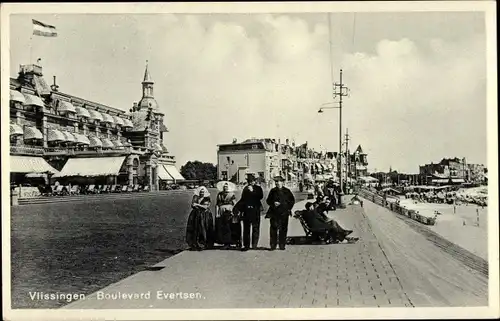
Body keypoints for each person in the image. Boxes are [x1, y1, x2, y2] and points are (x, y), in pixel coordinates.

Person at [266, 175, 295, 251]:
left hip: (284, 213)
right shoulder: (272, 191)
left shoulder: (287, 191)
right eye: (276, 182)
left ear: (282, 182)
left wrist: (284, 205)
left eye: (279, 181)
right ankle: (273, 245)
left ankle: (282, 245)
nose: (277, 183)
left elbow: (292, 201)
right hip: (274, 213)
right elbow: (268, 200)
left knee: (283, 229)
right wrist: (273, 203)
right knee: (273, 229)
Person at [237, 173, 264, 251]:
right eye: (249, 181)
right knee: (246, 228)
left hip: (255, 210)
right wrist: (238, 208)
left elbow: (260, 197)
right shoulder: (245, 188)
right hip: (247, 210)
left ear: (255, 181)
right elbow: (243, 199)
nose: (251, 182)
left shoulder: (258, 188)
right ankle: (246, 245)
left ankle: (254, 244)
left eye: (252, 181)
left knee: (255, 228)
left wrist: (252, 191)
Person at [185, 186, 215, 251]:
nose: (202, 193)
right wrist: (196, 205)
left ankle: (205, 243)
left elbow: (205, 207)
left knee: (204, 228)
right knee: (196, 228)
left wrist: (197, 205)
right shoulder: (195, 197)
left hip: (205, 215)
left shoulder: (207, 198)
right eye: (201, 192)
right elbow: (192, 205)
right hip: (196, 214)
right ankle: (195, 243)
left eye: (203, 192)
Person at [215, 183, 237, 249]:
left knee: (229, 226)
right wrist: (217, 213)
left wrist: (234, 212)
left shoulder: (231, 194)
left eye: (226, 187)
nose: (225, 188)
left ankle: (230, 242)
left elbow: (235, 203)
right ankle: (224, 242)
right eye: (224, 187)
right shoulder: (220, 194)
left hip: (229, 210)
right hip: (221, 211)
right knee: (223, 227)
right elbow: (217, 204)